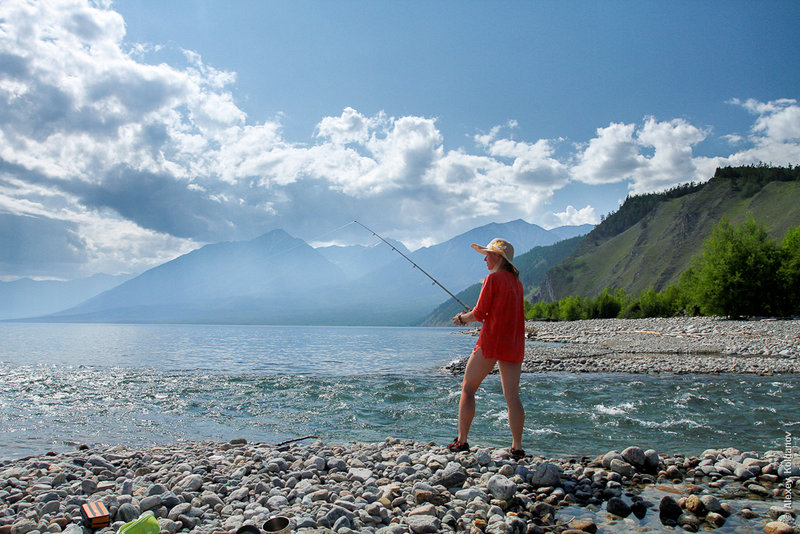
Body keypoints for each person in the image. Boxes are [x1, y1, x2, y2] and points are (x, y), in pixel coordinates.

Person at [450, 237, 526, 458]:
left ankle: (462, 441)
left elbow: (480, 313)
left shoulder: (492, 280)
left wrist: (462, 319)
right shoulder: (517, 283)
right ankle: (517, 447)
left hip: (491, 341)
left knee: (468, 388)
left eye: (488, 254)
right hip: (514, 342)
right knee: (512, 396)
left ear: (498, 257)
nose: (484, 258)